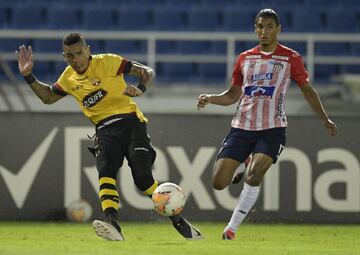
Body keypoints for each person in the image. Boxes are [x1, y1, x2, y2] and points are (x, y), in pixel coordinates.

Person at [16, 33, 202, 241]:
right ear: (64, 56)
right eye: (69, 55)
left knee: (143, 179)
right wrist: (28, 76)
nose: (75, 59)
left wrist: (140, 88)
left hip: (131, 123)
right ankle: (113, 225)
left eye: (78, 53)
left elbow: (146, 71)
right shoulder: (68, 78)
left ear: (88, 50)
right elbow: (48, 97)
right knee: (106, 171)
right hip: (104, 130)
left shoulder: (109, 62)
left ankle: (177, 219)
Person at [197, 9, 337, 240]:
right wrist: (210, 98)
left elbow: (307, 91)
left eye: (269, 26)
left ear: (278, 29)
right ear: (255, 29)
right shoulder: (244, 58)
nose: (264, 31)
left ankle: (231, 228)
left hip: (272, 128)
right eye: (260, 26)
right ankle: (244, 160)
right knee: (219, 183)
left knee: (254, 176)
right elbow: (232, 94)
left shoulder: (290, 58)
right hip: (241, 127)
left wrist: (324, 118)